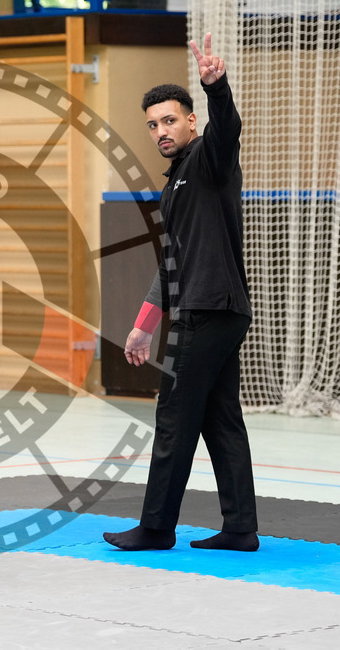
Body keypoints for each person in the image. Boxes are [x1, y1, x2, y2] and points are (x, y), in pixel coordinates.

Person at [104, 34, 259, 552]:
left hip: (208, 310)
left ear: (191, 122)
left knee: (173, 415)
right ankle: (240, 529)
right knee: (220, 419)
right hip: (217, 311)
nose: (161, 131)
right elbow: (170, 264)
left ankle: (156, 527)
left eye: (169, 121)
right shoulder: (173, 185)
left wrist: (217, 87)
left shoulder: (210, 162)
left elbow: (228, 129)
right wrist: (143, 326)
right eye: (153, 125)